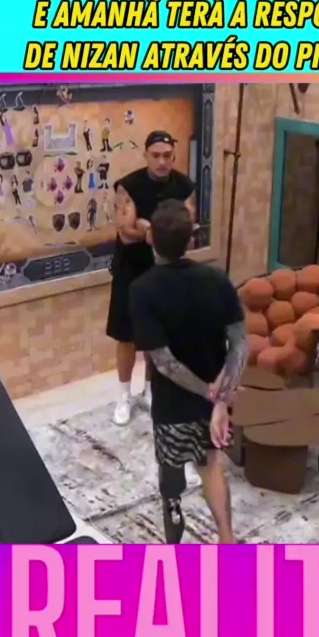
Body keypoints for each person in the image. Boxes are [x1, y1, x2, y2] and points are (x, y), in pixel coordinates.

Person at [129, 199, 248, 544]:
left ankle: (173, 513)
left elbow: (164, 362)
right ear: (191, 238)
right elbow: (240, 344)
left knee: (170, 468)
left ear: (150, 238)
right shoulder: (217, 279)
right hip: (214, 400)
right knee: (211, 464)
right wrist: (220, 398)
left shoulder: (142, 290)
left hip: (173, 403)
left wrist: (206, 391)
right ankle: (227, 538)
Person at [106, 130, 195, 426]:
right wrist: (156, 231)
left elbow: (187, 228)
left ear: (174, 156)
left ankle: (148, 390)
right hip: (131, 270)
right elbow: (125, 232)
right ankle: (123, 395)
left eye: (167, 156)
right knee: (126, 336)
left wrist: (147, 227)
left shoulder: (183, 186)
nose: (161, 161)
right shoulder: (128, 187)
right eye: (155, 155)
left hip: (164, 270)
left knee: (157, 334)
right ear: (146, 155)